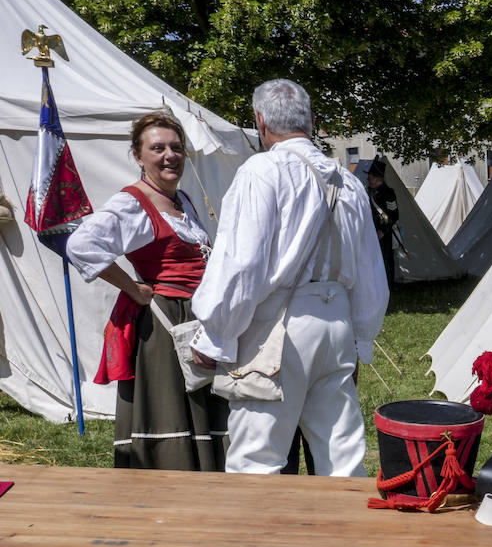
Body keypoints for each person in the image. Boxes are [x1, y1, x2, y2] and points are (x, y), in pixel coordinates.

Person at [188, 78, 388, 478]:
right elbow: (371, 272)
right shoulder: (347, 181)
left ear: (260, 122)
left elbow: (242, 265)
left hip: (280, 328)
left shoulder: (262, 171)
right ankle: (346, 538)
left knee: (256, 459)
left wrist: (215, 334)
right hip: (337, 322)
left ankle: (258, 540)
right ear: (311, 121)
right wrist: (361, 335)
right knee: (342, 457)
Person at [67, 111, 228, 470]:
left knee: (203, 411)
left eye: (176, 147)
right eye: (157, 148)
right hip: (166, 322)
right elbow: (81, 246)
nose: (170, 155)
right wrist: (131, 285)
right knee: (169, 411)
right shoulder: (132, 202)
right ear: (139, 157)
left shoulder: (181, 198)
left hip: (196, 317)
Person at [366, 157, 399, 289]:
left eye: (370, 176)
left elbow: (394, 215)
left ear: (376, 178)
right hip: (370, 232)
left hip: (382, 234)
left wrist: (383, 231)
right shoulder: (369, 192)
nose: (368, 178)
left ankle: (387, 289)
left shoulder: (388, 193)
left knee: (385, 262)